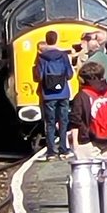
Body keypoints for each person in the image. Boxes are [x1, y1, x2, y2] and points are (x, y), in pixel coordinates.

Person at [69, 61, 107, 160]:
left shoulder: (82, 96)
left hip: (88, 140)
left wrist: (75, 143)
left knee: (90, 172)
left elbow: (75, 120)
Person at [35, 30, 74, 160]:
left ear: (46, 40)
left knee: (50, 123)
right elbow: (69, 74)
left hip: (48, 94)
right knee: (63, 122)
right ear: (56, 39)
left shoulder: (42, 57)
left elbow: (39, 76)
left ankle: (51, 151)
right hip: (63, 93)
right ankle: (64, 149)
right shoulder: (63, 55)